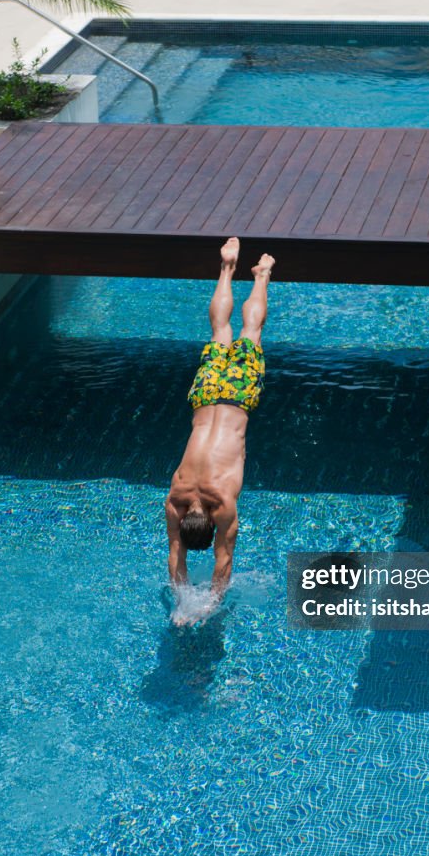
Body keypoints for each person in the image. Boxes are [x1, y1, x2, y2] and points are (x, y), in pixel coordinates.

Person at [165, 237, 274, 626]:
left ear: (210, 523)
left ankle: (261, 274)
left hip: (238, 399)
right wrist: (182, 600)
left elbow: (223, 562)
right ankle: (227, 267)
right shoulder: (174, 497)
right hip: (206, 397)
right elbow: (175, 553)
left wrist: (203, 607)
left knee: (251, 330)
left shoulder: (223, 502)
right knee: (220, 329)